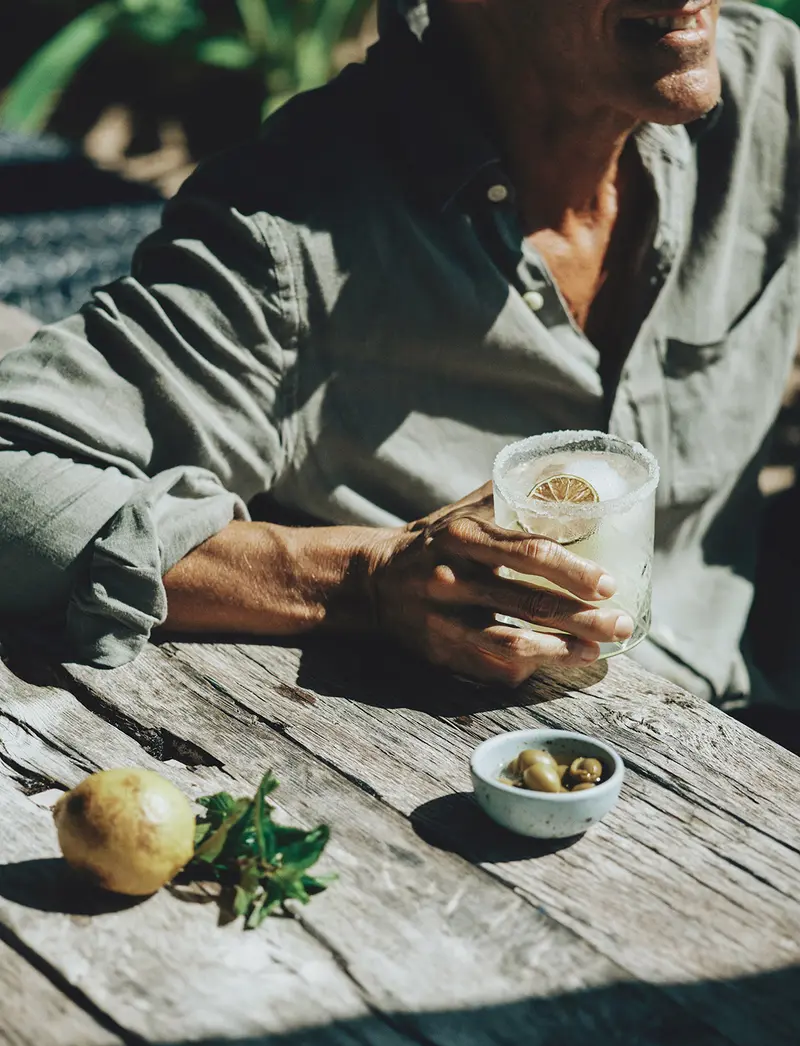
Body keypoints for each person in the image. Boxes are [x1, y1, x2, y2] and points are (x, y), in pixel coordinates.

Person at [0, 0, 799, 713]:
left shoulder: (774, 93)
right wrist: (365, 582)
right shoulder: (288, 236)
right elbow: (13, 473)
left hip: (751, 725)